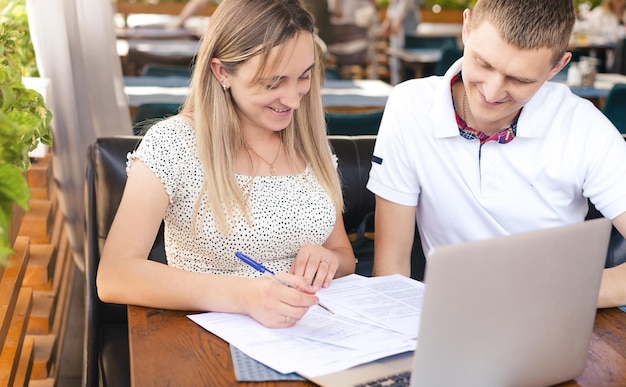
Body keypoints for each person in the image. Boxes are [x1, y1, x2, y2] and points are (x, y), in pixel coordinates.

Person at [97, 0, 356, 329]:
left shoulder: (308, 142)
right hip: (204, 340)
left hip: (305, 333)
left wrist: (329, 259)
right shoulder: (175, 144)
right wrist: (244, 295)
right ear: (222, 72)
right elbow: (114, 275)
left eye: (303, 77)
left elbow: (343, 254)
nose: (293, 99)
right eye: (272, 83)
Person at [367, 0, 626, 308]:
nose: (491, 93)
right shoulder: (410, 106)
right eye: (484, 64)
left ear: (557, 66)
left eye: (519, 80)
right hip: (448, 318)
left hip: (553, 319)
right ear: (466, 27)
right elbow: (390, 269)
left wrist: (554, 295)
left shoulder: (583, 126)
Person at [381, 0, 421, 85]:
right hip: (397, 23)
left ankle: (404, 86)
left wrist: (397, 21)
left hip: (407, 24)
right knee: (396, 59)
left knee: (406, 59)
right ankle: (396, 85)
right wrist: (389, 20)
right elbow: (393, 4)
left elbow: (406, 3)